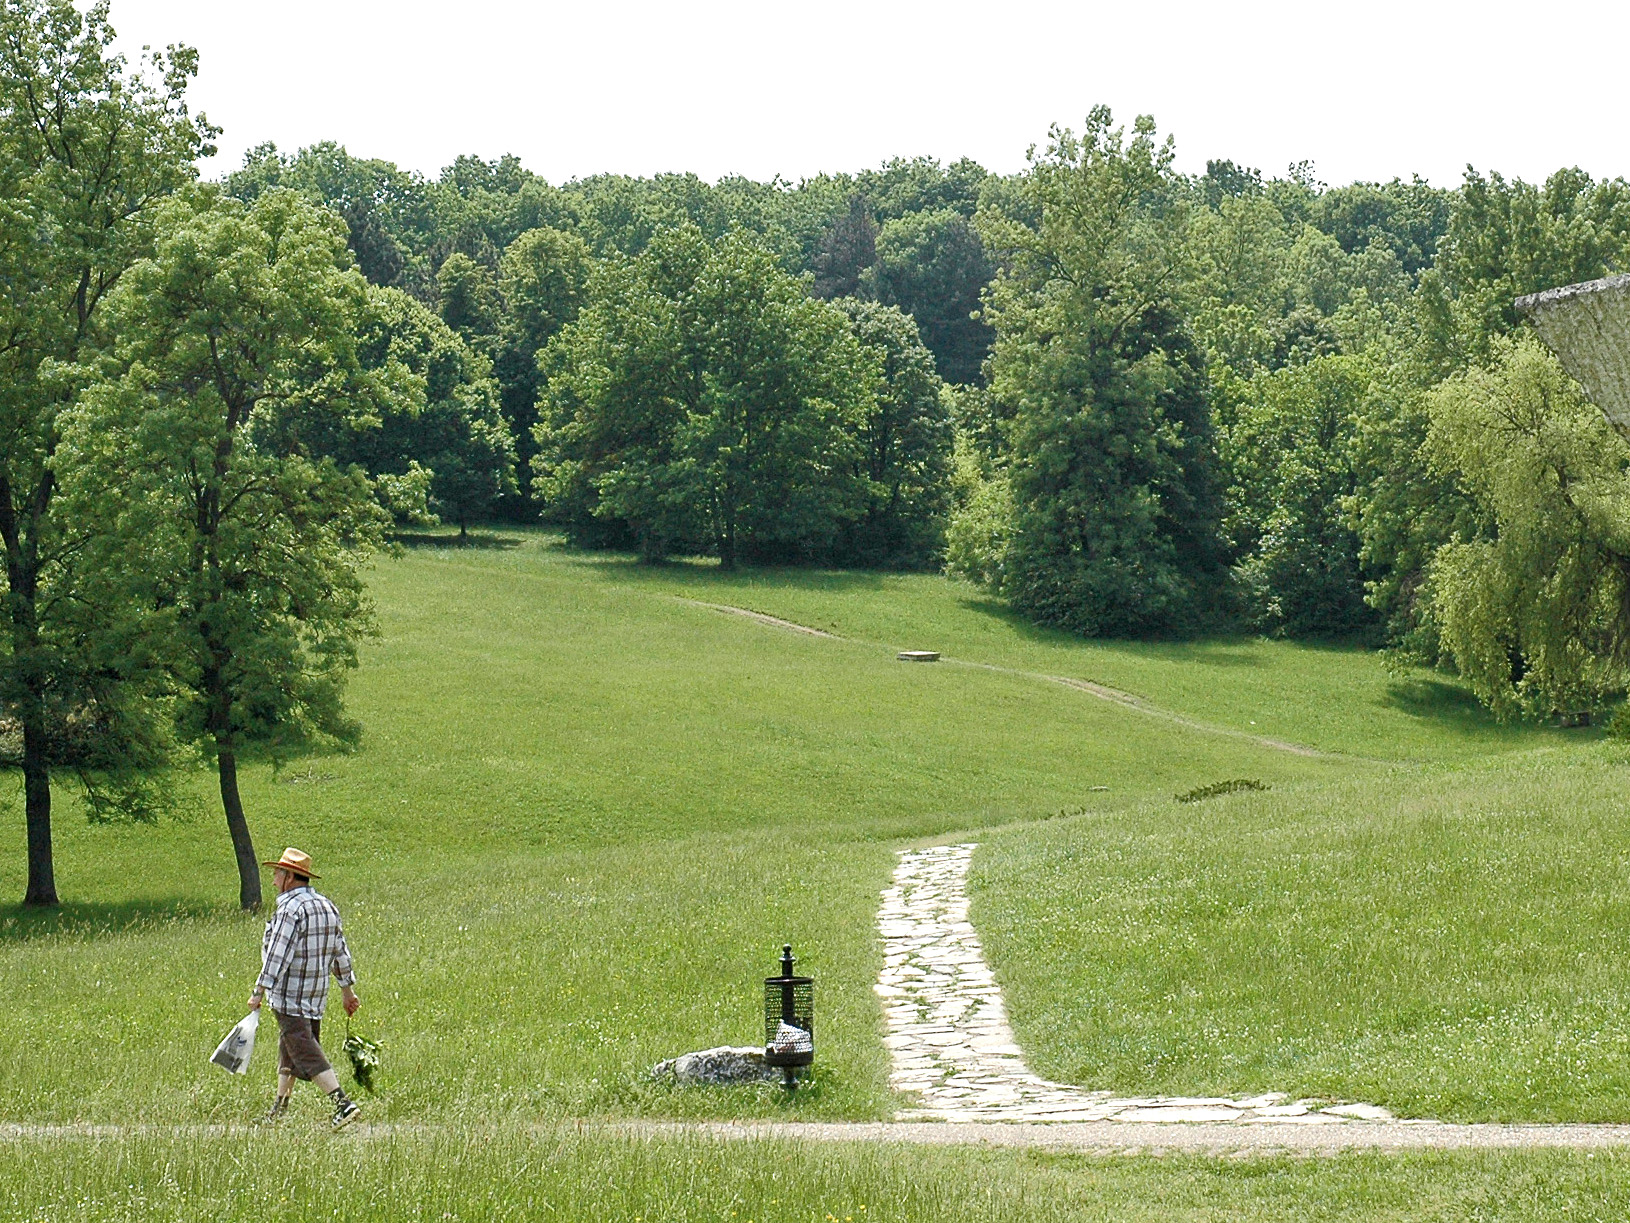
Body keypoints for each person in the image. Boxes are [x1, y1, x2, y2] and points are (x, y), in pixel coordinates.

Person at [249, 847, 363, 1129]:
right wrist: (347, 989)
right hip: (315, 996)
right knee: (290, 1046)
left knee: (304, 1050)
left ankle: (342, 1103)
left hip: (289, 995)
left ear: (289, 876)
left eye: (277, 874)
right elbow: (340, 951)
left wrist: (258, 991)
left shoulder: (289, 909)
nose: (274, 880)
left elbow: (277, 955)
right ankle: (279, 1110)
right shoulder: (326, 905)